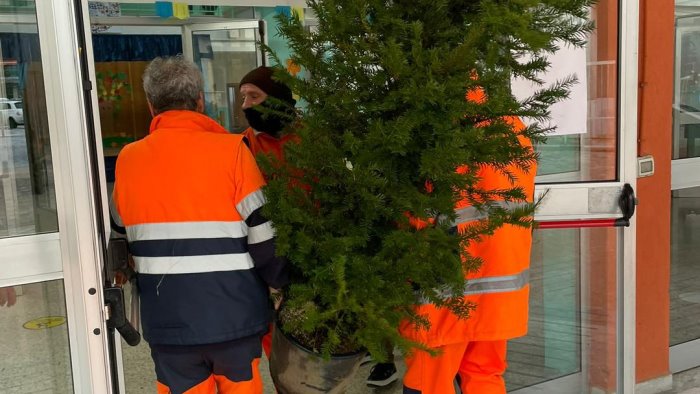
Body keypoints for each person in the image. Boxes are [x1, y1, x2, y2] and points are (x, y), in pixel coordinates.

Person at [110, 55, 287, 394]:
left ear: (151, 106)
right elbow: (264, 236)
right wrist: (282, 284)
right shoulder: (233, 151)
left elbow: (120, 232)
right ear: (201, 101)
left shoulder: (129, 159)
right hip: (235, 318)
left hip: (168, 322)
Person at [399, 90, 537, 394]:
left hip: (447, 293)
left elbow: (416, 216)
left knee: (428, 381)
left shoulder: (435, 132)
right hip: (500, 289)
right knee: (484, 374)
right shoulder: (510, 127)